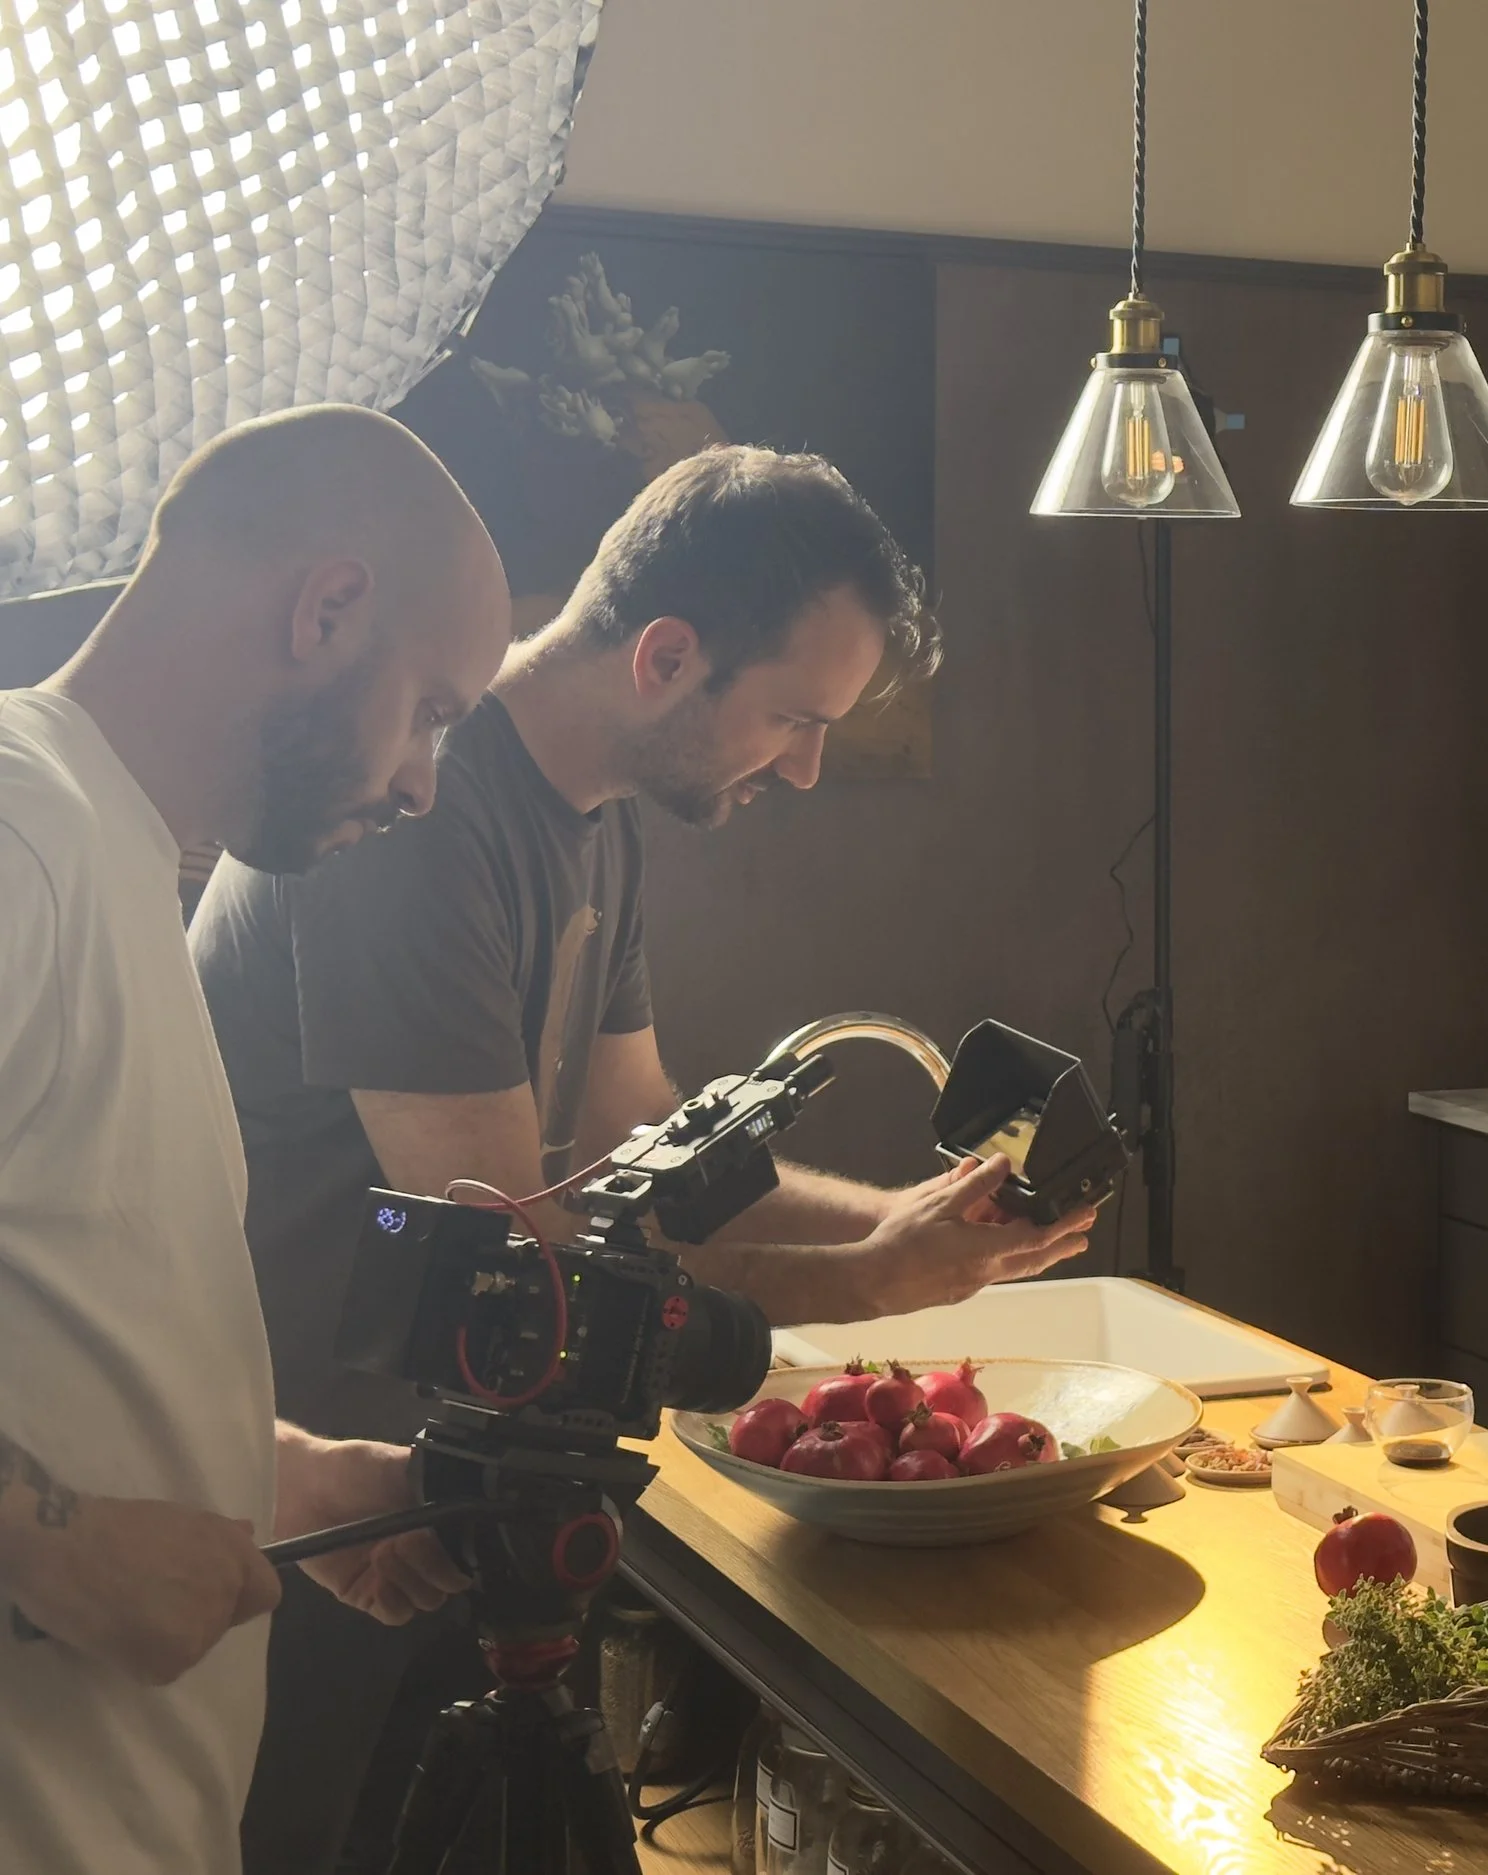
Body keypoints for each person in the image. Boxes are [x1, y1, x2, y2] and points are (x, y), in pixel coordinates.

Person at [190, 443, 1096, 1871]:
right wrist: (865, 1283)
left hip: (449, 1487)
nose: (802, 766)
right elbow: (516, 1246)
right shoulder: (422, 814)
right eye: (793, 718)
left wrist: (904, 1230)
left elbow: (635, 1136)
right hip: (298, 1498)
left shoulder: (594, 826)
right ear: (667, 656)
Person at [0, 404, 513, 1875]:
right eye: (428, 709)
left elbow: (61, 1329)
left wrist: (269, 1473)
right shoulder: (20, 828)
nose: (423, 782)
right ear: (329, 608)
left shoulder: (117, 860)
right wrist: (50, 1536)